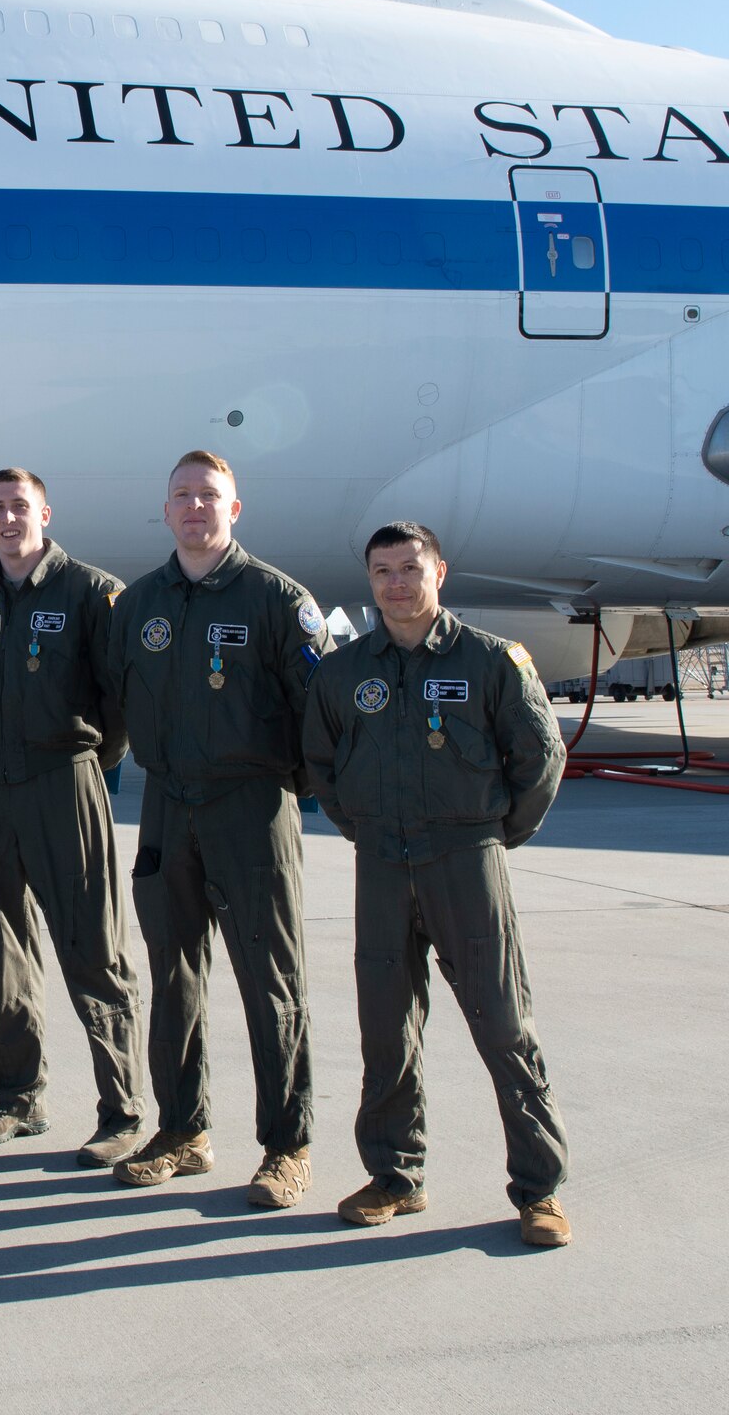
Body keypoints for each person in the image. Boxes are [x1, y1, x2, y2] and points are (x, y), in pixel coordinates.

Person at [303, 521, 572, 1247]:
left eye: (410, 568)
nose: (397, 582)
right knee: (386, 1029)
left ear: (439, 572)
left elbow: (541, 759)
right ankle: (395, 1176)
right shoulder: (345, 672)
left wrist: (490, 835)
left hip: (465, 862)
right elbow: (321, 766)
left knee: (503, 1024)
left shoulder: (491, 661)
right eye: (383, 571)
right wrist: (365, 826)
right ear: (370, 581)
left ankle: (539, 1190)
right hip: (382, 866)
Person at [102, 452, 332, 1205]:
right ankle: (182, 1131)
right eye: (182, 496)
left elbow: (321, 714)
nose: (195, 507)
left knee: (271, 983)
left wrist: (281, 789)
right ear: (164, 511)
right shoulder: (137, 607)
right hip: (167, 809)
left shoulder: (276, 600)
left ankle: (287, 1145)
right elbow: (109, 703)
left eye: (209, 496)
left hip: (251, 810)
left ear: (235, 510)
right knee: (172, 978)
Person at [0, 468, 147, 1163]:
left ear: (45, 513)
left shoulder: (92, 591)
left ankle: (122, 1109)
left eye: (21, 507)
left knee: (93, 950)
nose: (9, 518)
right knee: (8, 953)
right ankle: (18, 1098)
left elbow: (119, 700)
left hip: (67, 781)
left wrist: (87, 761)